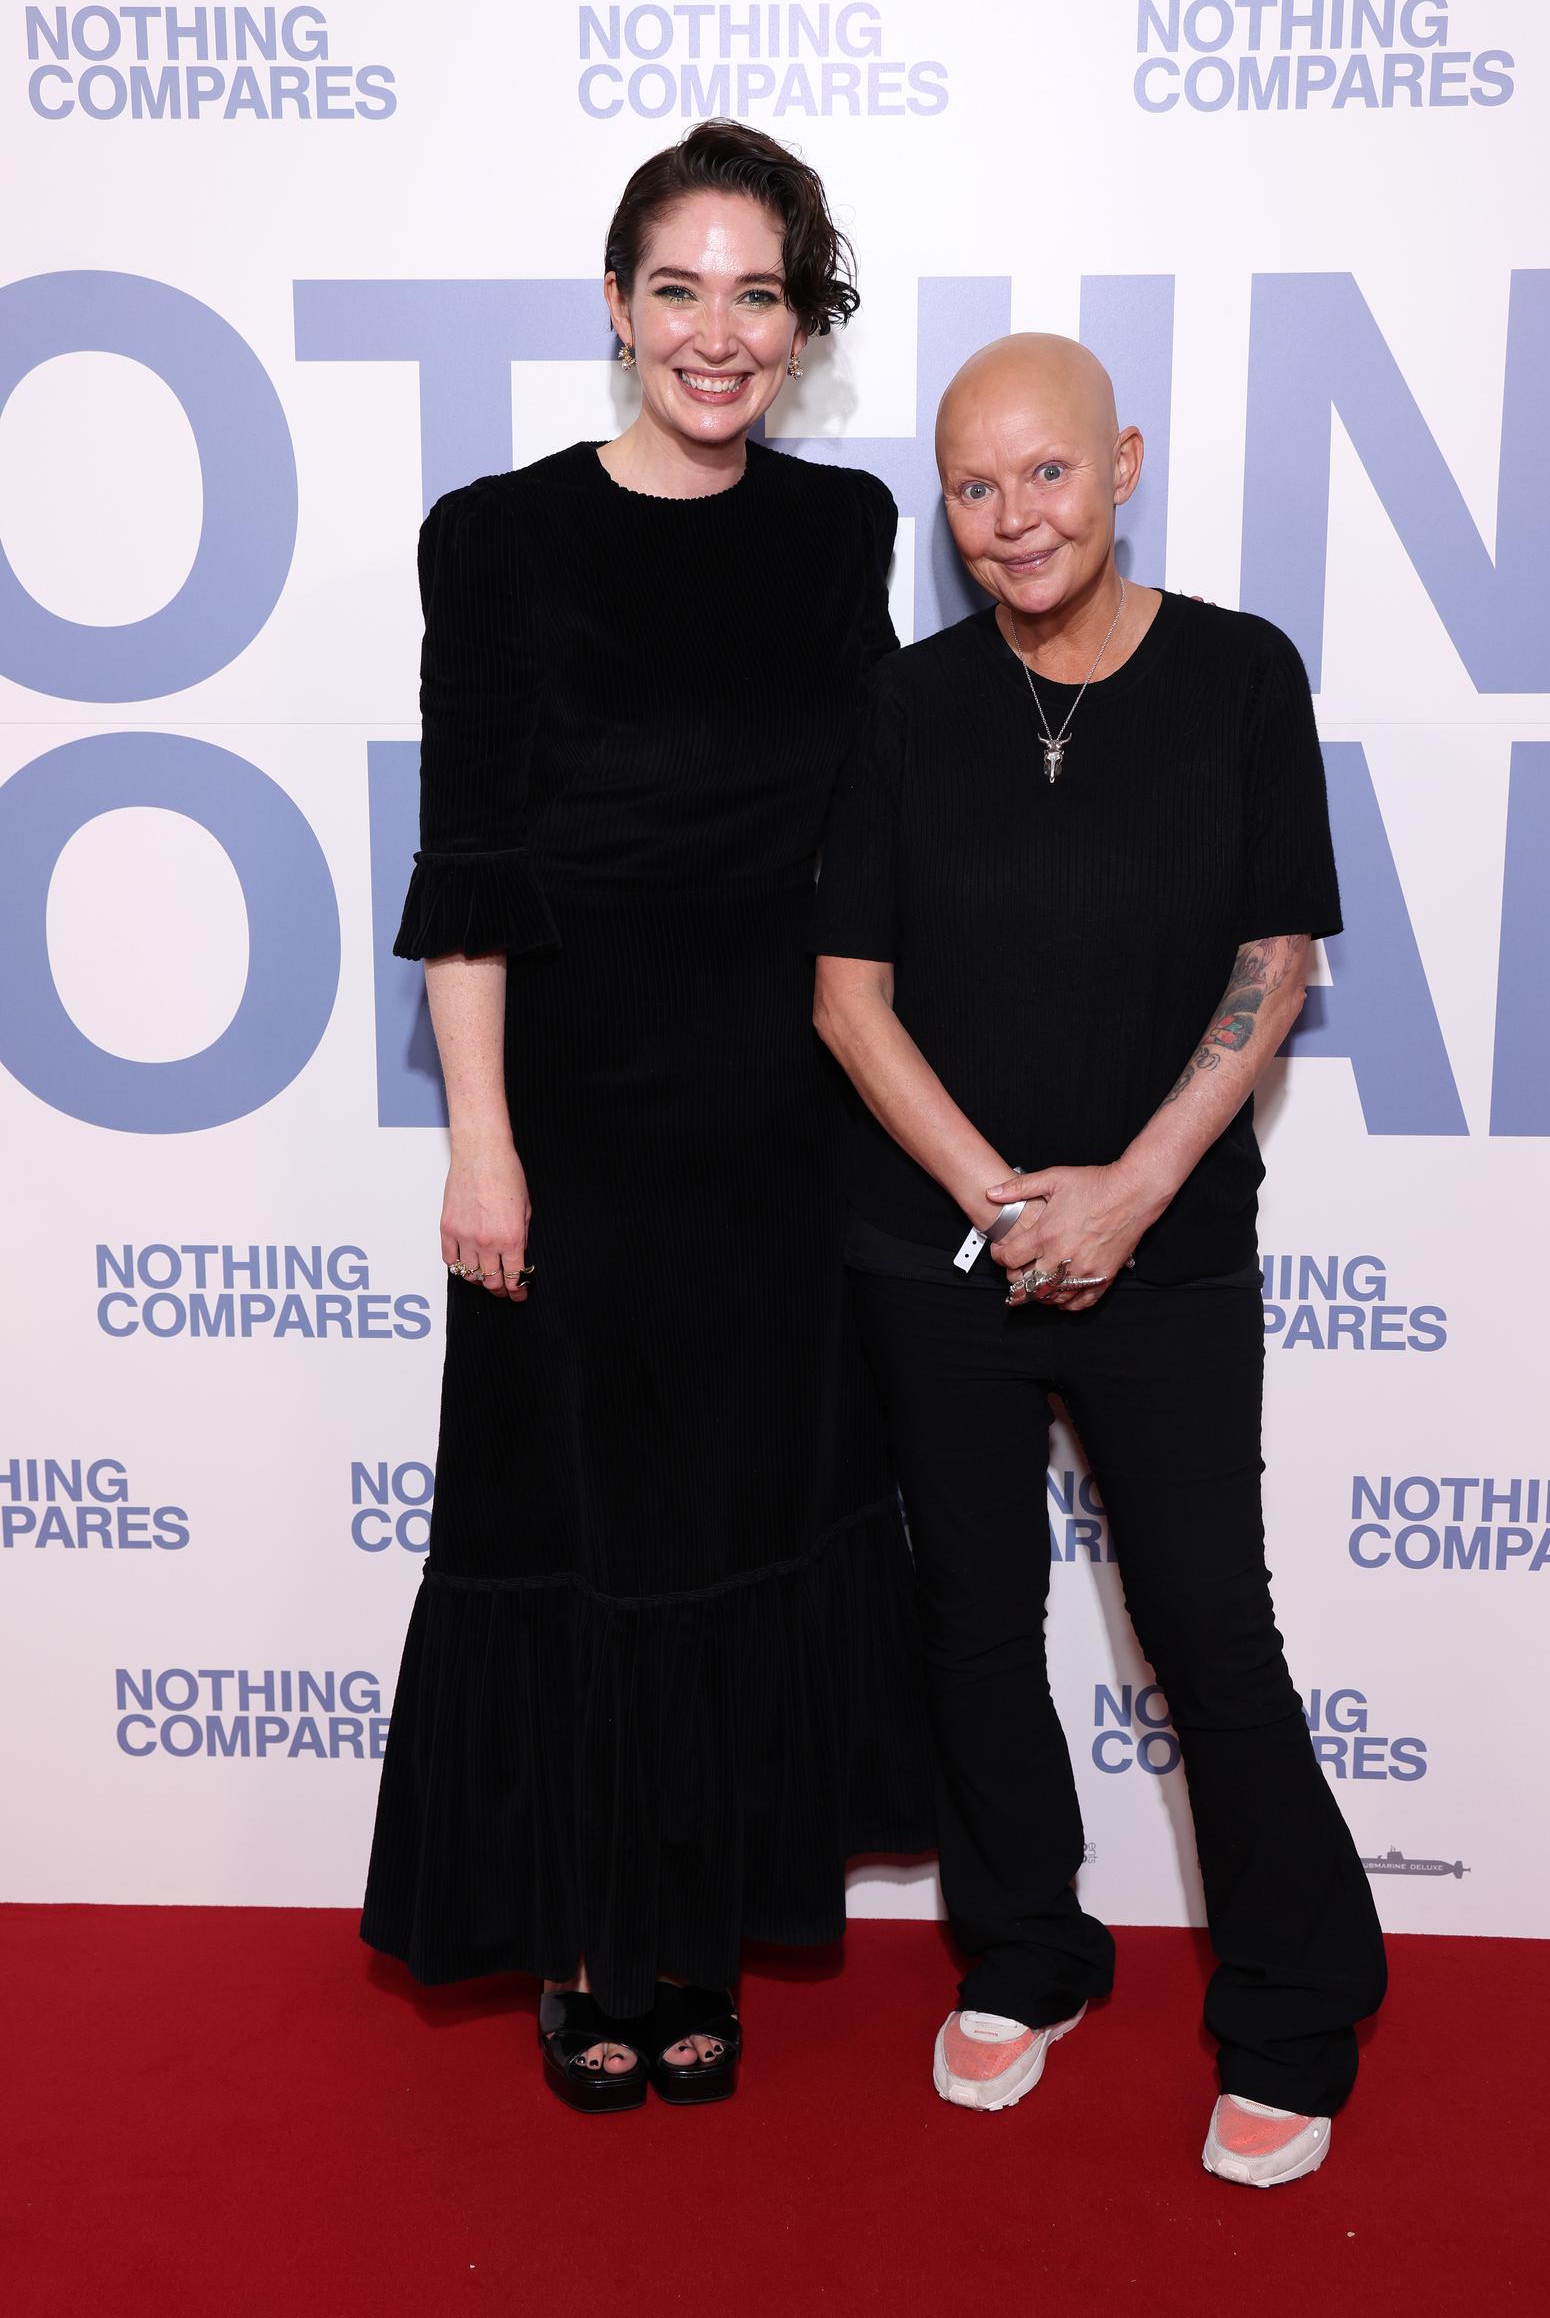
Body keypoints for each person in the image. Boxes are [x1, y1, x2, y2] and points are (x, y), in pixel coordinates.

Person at [361, 121, 931, 2112]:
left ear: (802, 322)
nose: (715, 332)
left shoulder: (841, 529)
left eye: (756, 293)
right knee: (581, 1526)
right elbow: (469, 868)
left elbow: (880, 828)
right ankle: (585, 1938)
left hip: (779, 1125)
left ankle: (697, 1927)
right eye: (676, 288)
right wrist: (483, 1145)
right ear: (616, 307)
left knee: (740, 1519)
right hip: (578, 1125)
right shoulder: (497, 539)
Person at [811, 333, 1386, 2186]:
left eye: (1044, 473)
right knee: (974, 1618)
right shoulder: (905, 706)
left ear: (1120, 463)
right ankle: (1026, 1950)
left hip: (1169, 1243)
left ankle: (1293, 2007)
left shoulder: (1237, 674)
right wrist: (1000, 1202)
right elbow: (847, 994)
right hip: (936, 1248)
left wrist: (1125, 1195)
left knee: (1210, 1631)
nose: (1011, 519)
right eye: (972, 488)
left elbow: (1272, 965)